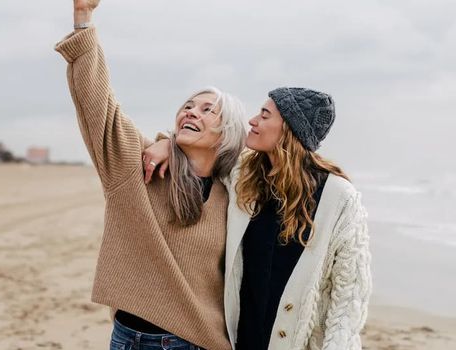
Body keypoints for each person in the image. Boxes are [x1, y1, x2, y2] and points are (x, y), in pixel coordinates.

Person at [55, 1, 247, 349]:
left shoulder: (235, 193)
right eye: (188, 106)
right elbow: (99, 104)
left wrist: (170, 142)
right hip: (128, 339)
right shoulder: (138, 165)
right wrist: (83, 19)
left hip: (196, 341)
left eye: (208, 110)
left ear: (226, 133)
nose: (192, 112)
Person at [145, 87, 371, 349]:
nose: (252, 121)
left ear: (288, 129)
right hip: (239, 339)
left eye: (264, 115)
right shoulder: (242, 174)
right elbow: (200, 146)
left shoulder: (340, 198)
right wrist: (165, 143)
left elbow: (349, 296)